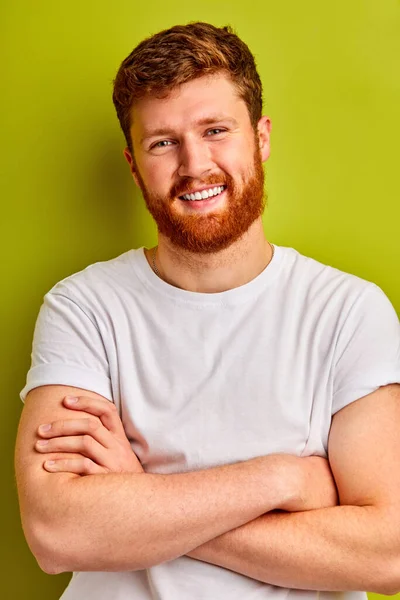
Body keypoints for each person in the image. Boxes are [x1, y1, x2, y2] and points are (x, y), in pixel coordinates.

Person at [15, 21, 400, 600]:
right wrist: (284, 479)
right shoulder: (84, 308)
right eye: (163, 142)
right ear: (132, 162)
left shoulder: (347, 312)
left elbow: (388, 553)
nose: (195, 165)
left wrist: (137, 496)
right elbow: (56, 531)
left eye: (215, 130)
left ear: (261, 137)